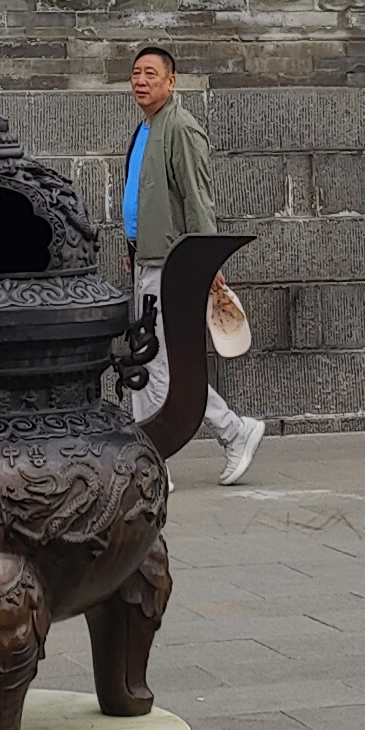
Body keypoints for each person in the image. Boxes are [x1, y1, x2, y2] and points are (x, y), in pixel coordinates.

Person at [117, 43, 261, 484]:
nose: (141, 82)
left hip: (174, 266)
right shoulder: (146, 128)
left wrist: (208, 262)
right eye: (136, 74)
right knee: (147, 360)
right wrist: (133, 251)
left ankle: (231, 431)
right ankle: (153, 453)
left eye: (151, 74)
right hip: (149, 260)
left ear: (171, 81)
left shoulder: (181, 128)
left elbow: (199, 200)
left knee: (159, 363)